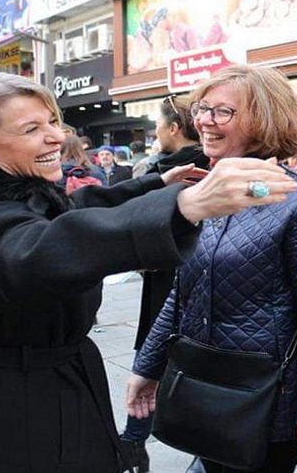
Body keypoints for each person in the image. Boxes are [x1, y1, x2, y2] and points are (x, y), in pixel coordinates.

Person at [0, 71, 297, 473]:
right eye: (31, 129)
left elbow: (76, 209)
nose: (56, 137)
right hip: (12, 410)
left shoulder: (15, 193)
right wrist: (185, 207)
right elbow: (53, 246)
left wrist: (157, 184)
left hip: (44, 389)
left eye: (53, 121)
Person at [127, 65, 297, 473]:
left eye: (222, 112)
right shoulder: (208, 193)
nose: (205, 121)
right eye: (202, 108)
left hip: (265, 399)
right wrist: (147, 367)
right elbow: (182, 291)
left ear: (264, 120)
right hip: (200, 384)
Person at [120, 94, 210, 472]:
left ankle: (134, 442)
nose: (155, 132)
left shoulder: (163, 172)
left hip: (167, 284)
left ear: (174, 129)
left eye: (158, 125)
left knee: (151, 358)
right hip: (202, 288)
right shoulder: (215, 169)